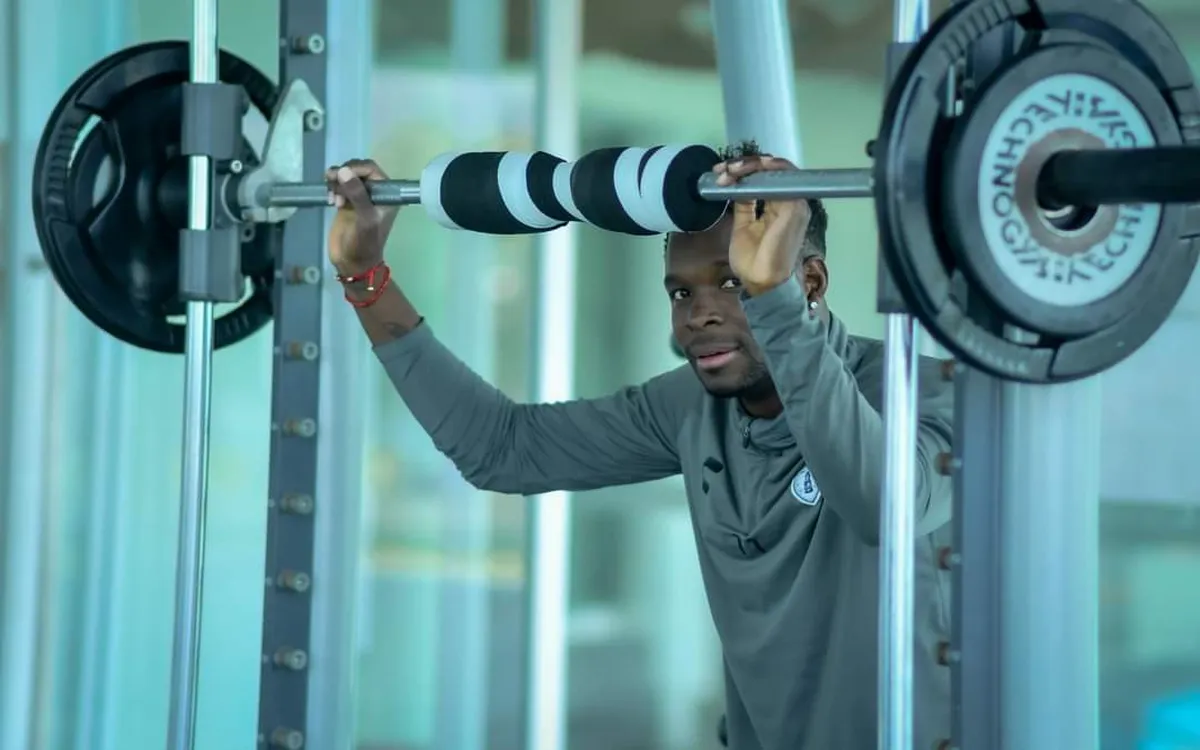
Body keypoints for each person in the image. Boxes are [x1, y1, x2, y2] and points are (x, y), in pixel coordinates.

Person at [324, 142, 954, 750]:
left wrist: (774, 303)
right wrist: (364, 275)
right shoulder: (692, 406)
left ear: (809, 281)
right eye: (681, 292)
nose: (697, 315)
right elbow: (501, 448)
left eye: (732, 283)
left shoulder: (924, 395)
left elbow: (882, 504)